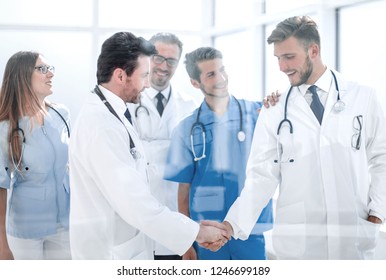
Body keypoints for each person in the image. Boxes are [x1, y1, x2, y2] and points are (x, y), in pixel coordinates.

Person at [222, 15, 386, 260]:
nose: (282, 67)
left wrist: (378, 212)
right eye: (278, 58)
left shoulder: (363, 97)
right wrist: (232, 225)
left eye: (289, 57)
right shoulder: (275, 109)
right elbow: (261, 176)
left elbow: (381, 158)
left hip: (354, 236)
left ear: (313, 50)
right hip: (299, 244)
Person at [69, 31, 229, 260]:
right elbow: (133, 202)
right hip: (109, 251)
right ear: (120, 76)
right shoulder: (101, 126)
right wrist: (196, 231)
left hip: (137, 234)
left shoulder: (111, 113)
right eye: (144, 75)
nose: (146, 84)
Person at [164, 47, 273, 260]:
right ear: (195, 83)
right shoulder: (186, 129)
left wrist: (276, 103)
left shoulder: (258, 113)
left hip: (248, 229)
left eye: (222, 70)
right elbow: (183, 191)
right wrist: (186, 242)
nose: (222, 78)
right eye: (211, 74)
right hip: (206, 233)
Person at [127, 33, 199, 260]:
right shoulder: (128, 101)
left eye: (171, 61)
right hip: (139, 214)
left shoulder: (190, 105)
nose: (163, 66)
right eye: (158, 58)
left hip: (175, 213)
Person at [0, 51, 71, 260]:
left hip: (64, 225)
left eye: (50, 68)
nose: (50, 74)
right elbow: (1, 187)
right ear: (21, 76)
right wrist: (2, 245)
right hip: (26, 231)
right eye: (42, 69)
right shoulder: (6, 128)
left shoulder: (62, 114)